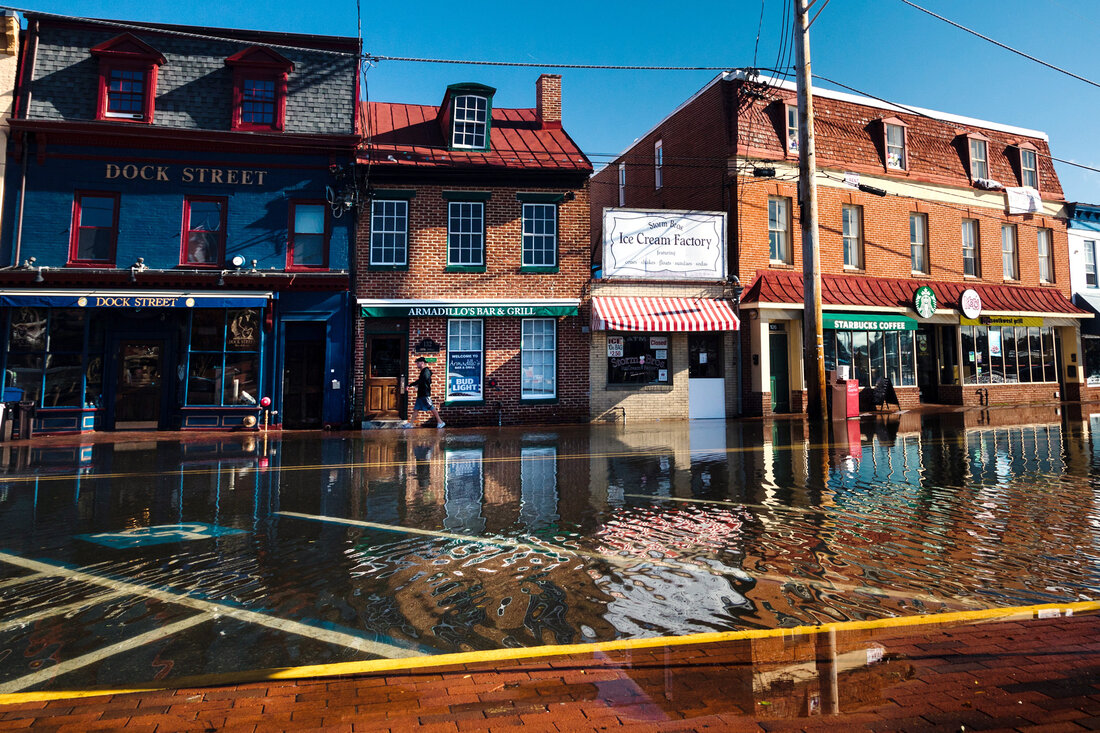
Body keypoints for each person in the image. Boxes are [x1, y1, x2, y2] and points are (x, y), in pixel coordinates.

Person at [409, 356, 445, 428]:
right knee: (416, 409)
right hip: (421, 393)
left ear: (422, 363)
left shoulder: (426, 371)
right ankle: (410, 424)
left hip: (425, 393)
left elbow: (422, 380)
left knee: (431, 407)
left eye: (418, 363)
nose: (417, 364)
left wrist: (411, 385)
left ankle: (440, 422)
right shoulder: (423, 371)